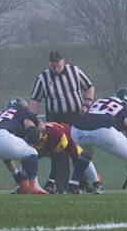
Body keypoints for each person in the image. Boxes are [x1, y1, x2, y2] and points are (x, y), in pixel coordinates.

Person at [29, 50, 95, 192]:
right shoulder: (43, 78)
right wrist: (32, 120)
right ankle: (61, 185)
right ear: (49, 63)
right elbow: (35, 99)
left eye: (57, 63)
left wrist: (87, 103)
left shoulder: (74, 71)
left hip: (75, 116)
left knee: (77, 150)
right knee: (59, 152)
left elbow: (89, 87)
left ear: (63, 61)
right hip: (55, 118)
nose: (55, 66)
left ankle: (82, 182)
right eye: (52, 64)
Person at [68, 88, 127, 195]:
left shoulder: (101, 100)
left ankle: (73, 184)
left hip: (76, 130)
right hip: (102, 129)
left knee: (86, 153)